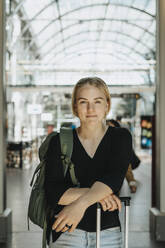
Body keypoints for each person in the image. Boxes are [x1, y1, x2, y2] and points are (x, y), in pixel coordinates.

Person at [45, 77, 132, 248]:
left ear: (107, 104)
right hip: (66, 232)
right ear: (75, 107)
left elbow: (113, 180)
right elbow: (53, 193)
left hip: (108, 234)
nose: (91, 109)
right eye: (83, 102)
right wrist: (100, 194)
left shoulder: (120, 137)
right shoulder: (59, 141)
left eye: (97, 101)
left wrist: (78, 206)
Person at [106, 119, 138, 193]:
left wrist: (131, 182)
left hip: (112, 186)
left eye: (112, 129)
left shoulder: (119, 147)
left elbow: (126, 166)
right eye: (107, 128)